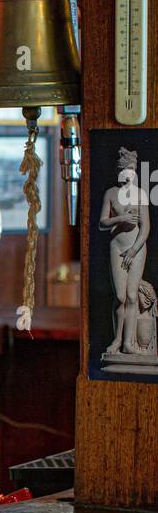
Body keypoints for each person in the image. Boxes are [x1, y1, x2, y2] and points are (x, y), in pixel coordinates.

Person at [100, 146, 151, 356]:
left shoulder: (140, 194)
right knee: (120, 296)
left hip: (135, 247)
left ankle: (128, 343)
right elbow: (102, 223)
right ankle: (117, 339)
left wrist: (133, 250)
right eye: (124, 170)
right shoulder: (111, 193)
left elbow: (146, 226)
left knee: (131, 295)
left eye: (131, 170)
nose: (128, 174)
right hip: (117, 246)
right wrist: (120, 218)